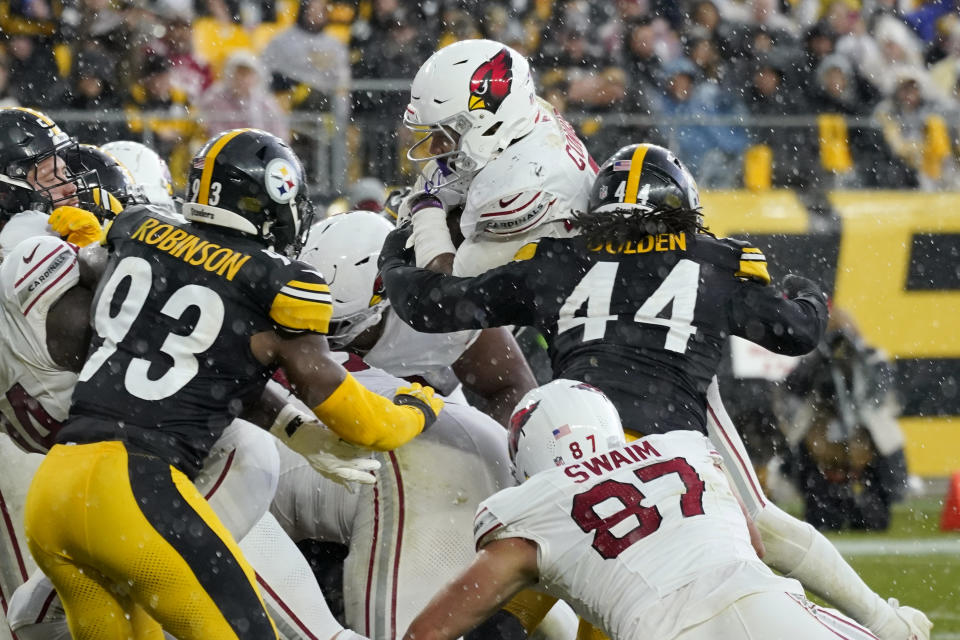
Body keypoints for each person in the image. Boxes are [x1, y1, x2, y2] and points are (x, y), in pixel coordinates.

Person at [380, 143, 931, 640]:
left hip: (571, 453)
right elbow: (797, 331)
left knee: (528, 585)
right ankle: (884, 622)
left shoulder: (558, 261)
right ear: (682, 206)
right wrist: (804, 290)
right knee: (734, 543)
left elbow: (437, 304)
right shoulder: (716, 263)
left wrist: (397, 251)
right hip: (676, 453)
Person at [22, 128, 443, 639]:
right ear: (273, 195)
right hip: (136, 489)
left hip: (54, 490)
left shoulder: (138, 230)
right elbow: (360, 421)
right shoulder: (278, 281)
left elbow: (117, 287)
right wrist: (416, 406)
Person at [403, 379, 882, 640]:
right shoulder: (686, 448)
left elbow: (429, 632)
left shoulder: (529, 508)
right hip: (766, 602)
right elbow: (753, 545)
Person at [399, 38, 598, 277]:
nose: (434, 149)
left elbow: (446, 288)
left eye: (444, 134)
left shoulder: (518, 191)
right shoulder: (521, 122)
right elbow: (434, 181)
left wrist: (426, 211)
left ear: (485, 123)